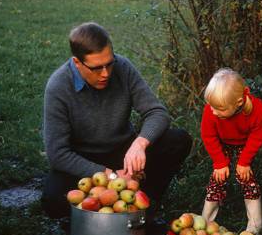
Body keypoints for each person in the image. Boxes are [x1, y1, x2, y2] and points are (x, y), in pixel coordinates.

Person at [41, 22, 192, 220]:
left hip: (122, 152)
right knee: (53, 200)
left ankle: (144, 206)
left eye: (109, 63)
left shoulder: (122, 67)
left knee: (178, 140)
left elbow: (157, 112)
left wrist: (140, 144)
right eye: (96, 68)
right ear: (77, 63)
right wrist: (110, 175)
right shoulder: (59, 86)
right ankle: (95, 216)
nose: (105, 73)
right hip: (83, 162)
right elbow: (57, 154)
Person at [200, 68, 262, 234]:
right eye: (212, 106)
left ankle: (254, 227)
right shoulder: (211, 110)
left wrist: (244, 162)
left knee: (247, 179)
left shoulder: (257, 109)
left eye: (220, 108)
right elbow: (208, 136)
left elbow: (256, 137)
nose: (214, 111)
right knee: (217, 179)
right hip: (222, 143)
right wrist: (220, 163)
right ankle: (205, 224)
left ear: (238, 102)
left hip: (246, 144)